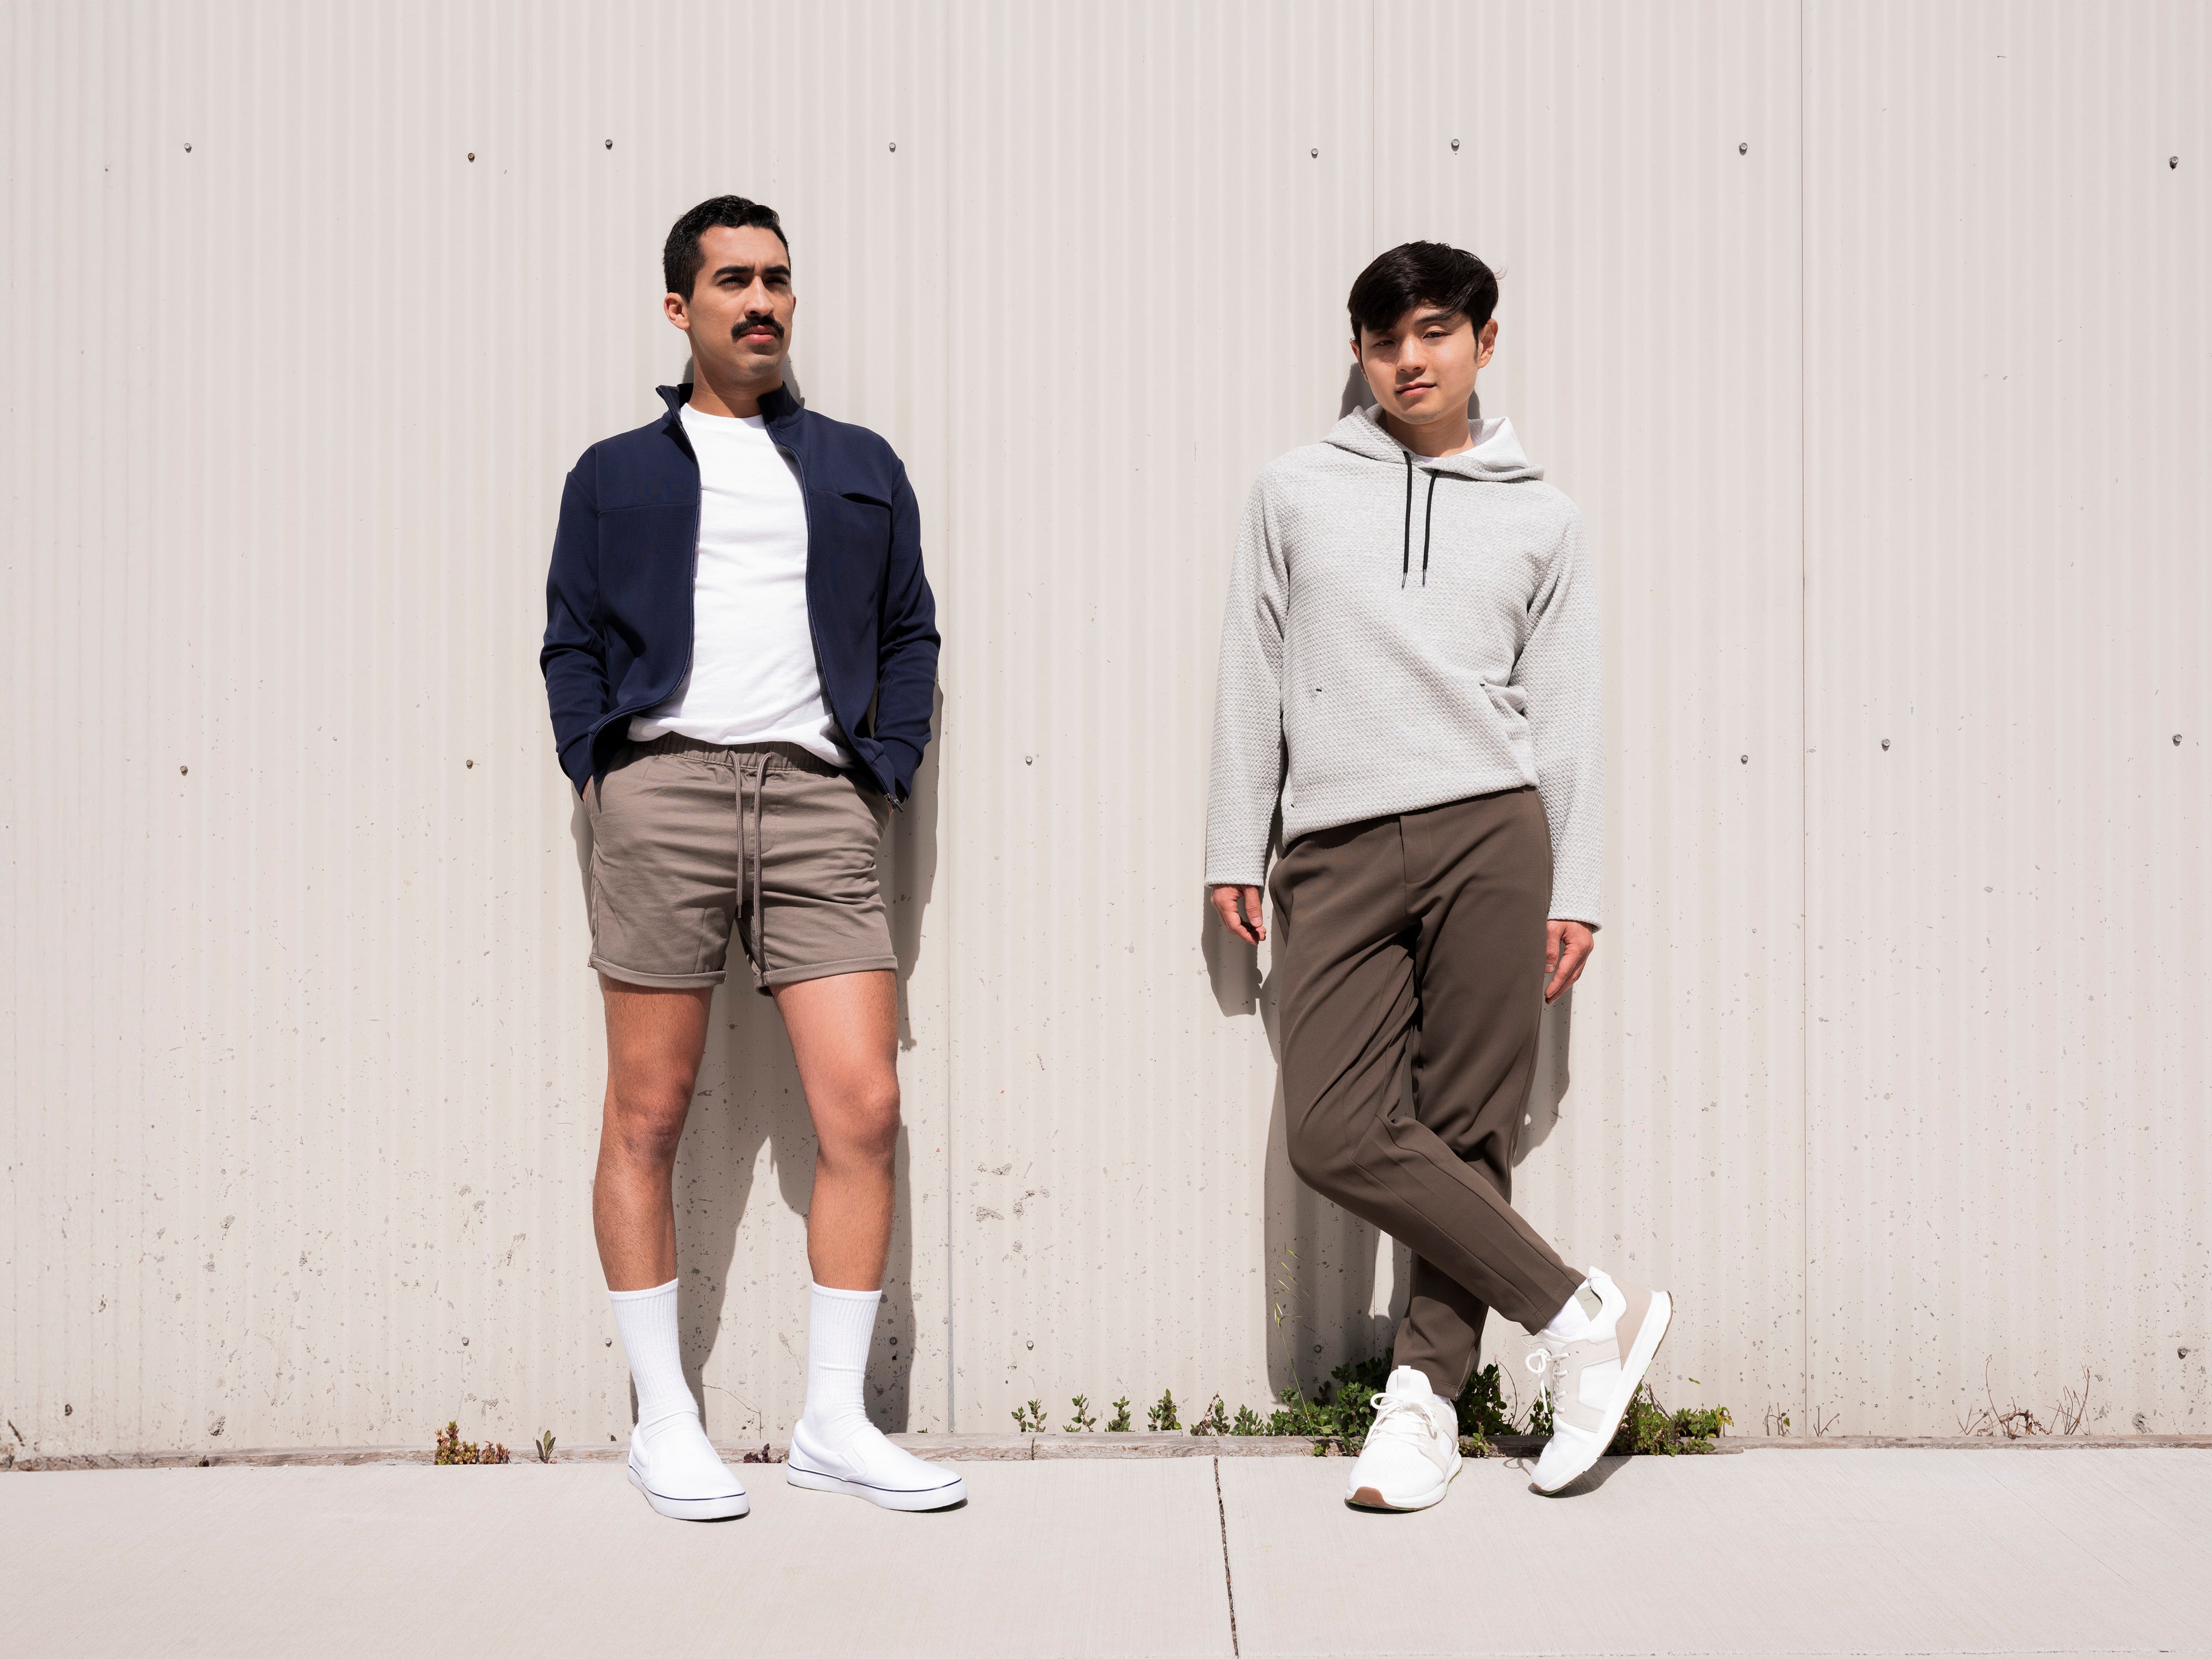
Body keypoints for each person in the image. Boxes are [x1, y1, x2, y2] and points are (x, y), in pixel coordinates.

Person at [1205, 243, 1672, 1506]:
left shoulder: (1543, 516)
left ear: (1484, 340)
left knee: (1467, 1130)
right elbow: (1253, 668)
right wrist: (1234, 843)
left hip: (1492, 835)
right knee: (1334, 1128)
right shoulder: (1294, 491)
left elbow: (1564, 714)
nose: (1409, 361)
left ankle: (1423, 1405)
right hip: (1336, 842)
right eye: (1383, 341)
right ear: (1358, 355)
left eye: (1433, 333)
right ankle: (1576, 1313)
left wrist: (1575, 884)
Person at [541, 195, 959, 1519]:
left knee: (865, 1110)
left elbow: (909, 631)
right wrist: (600, 767)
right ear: (681, 307)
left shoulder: (857, 462)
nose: (761, 300)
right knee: (647, 1115)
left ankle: (835, 1423)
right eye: (732, 280)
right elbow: (569, 638)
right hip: (660, 792)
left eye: (777, 278)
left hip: (819, 802)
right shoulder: (614, 473)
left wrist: (882, 770)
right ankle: (664, 1421)